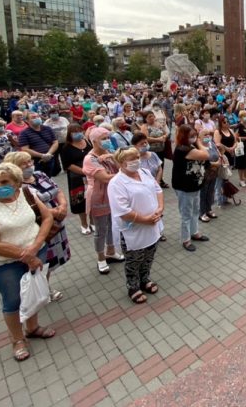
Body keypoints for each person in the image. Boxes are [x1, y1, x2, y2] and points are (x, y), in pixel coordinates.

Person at [0, 163, 55, 362]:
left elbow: (47, 217)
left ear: (16, 183)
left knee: (33, 292)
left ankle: (33, 327)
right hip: (5, 263)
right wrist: (26, 255)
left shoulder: (26, 194)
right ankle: (17, 339)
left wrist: (36, 246)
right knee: (12, 301)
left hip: (36, 251)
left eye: (4, 182)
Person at [4, 151, 69, 302]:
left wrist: (63, 205)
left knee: (50, 261)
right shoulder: (17, 186)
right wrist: (54, 212)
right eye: (23, 164)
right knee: (41, 260)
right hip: (40, 228)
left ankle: (44, 286)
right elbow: (29, 208)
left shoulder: (40, 175)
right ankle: (42, 291)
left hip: (55, 225)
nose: (29, 165)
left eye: (30, 161)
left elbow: (57, 190)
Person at [107, 147, 164, 304]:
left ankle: (145, 279)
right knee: (134, 260)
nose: (136, 161)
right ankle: (133, 287)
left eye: (137, 157)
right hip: (134, 230)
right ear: (121, 162)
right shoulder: (116, 183)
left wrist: (159, 208)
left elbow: (158, 190)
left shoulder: (144, 172)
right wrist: (145, 219)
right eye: (131, 159)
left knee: (149, 256)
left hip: (153, 224)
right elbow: (122, 211)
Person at [83, 127, 125, 274]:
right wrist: (124, 172)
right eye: (104, 138)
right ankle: (101, 258)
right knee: (100, 229)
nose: (108, 141)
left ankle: (111, 251)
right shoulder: (90, 159)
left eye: (108, 137)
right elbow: (105, 178)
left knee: (112, 225)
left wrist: (113, 158)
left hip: (112, 195)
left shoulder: (108, 153)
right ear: (94, 141)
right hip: (98, 196)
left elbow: (121, 166)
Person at [171, 124, 210, 252]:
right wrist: (199, 140)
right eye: (191, 136)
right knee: (186, 213)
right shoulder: (183, 149)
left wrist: (197, 141)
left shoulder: (190, 146)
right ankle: (186, 239)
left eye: (195, 135)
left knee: (195, 210)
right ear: (184, 136)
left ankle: (195, 233)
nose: (194, 138)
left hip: (195, 184)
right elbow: (205, 155)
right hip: (184, 186)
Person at [61, 123, 93, 234]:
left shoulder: (88, 142)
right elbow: (68, 165)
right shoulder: (66, 147)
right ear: (69, 134)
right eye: (74, 132)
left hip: (92, 176)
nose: (78, 134)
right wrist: (84, 171)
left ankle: (93, 221)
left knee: (92, 199)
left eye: (79, 131)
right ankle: (84, 224)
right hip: (77, 178)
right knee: (80, 201)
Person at [18, 112, 58, 176]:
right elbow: (25, 149)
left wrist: (48, 154)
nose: (37, 118)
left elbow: (55, 142)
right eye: (33, 117)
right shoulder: (24, 133)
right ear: (27, 121)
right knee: (37, 178)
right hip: (37, 161)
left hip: (50, 158)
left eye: (38, 116)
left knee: (48, 177)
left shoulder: (48, 129)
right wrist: (42, 155)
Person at [142, 111, 169, 187]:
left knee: (161, 165)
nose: (152, 118)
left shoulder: (158, 124)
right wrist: (158, 139)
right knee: (152, 166)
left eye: (152, 116)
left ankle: (160, 180)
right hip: (151, 150)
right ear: (145, 119)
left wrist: (164, 137)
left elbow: (165, 133)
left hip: (161, 149)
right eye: (149, 117)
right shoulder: (145, 126)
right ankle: (152, 181)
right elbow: (146, 138)